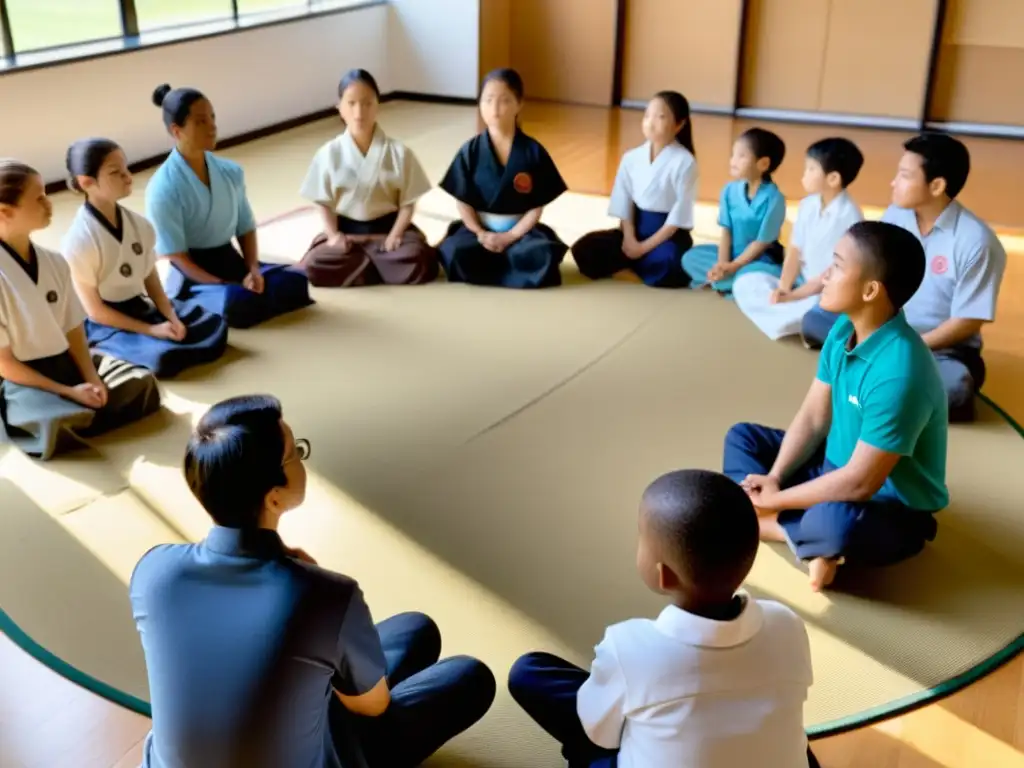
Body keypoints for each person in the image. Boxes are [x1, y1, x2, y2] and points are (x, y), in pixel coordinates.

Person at [129, 394, 496, 768]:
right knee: (470, 678)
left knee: (416, 629)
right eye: (296, 453)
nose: (302, 460)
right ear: (274, 498)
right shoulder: (325, 595)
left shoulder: (153, 572)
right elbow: (372, 706)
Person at [508, 469, 817, 768]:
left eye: (641, 537)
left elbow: (599, 733)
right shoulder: (786, 623)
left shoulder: (627, 647)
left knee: (529, 673)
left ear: (663, 575)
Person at [724, 221, 949, 592]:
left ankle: (768, 523)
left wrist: (776, 498)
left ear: (871, 290)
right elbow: (813, 418)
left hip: (889, 505)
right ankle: (806, 541)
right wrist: (777, 477)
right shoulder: (844, 329)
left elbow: (861, 482)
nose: (824, 275)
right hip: (832, 466)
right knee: (742, 438)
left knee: (834, 526)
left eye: (837, 266)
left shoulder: (900, 372)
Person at [800, 133, 1006, 422]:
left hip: (937, 347)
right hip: (882, 326)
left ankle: (874, 368)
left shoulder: (976, 241)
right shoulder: (896, 215)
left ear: (936, 185)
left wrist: (906, 346)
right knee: (815, 320)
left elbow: (967, 321)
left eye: (905, 175)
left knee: (955, 386)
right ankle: (888, 375)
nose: (893, 182)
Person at [0, 159, 160, 460]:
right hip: (23, 379)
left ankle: (83, 408)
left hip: (67, 364)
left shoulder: (54, 262)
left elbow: (74, 327)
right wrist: (68, 391)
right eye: (39, 198)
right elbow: (4, 363)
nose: (49, 204)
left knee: (141, 383)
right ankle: (73, 409)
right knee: (54, 421)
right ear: (5, 212)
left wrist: (92, 379)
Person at [145, 84, 313, 328]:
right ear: (176, 130)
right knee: (236, 301)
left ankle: (244, 290)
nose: (212, 126)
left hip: (232, 262)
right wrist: (223, 285)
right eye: (201, 121)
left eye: (212, 118)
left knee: (296, 281)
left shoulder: (230, 172)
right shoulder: (162, 188)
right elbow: (178, 257)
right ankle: (222, 297)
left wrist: (253, 269)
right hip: (192, 275)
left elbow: (245, 227)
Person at [61, 138, 229, 378]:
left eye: (126, 169)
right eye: (115, 173)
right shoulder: (78, 242)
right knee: (163, 357)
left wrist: (170, 316)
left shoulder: (139, 225)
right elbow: (95, 310)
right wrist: (152, 330)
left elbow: (150, 278)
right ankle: (106, 348)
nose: (128, 177)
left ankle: (157, 335)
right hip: (105, 322)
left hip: (141, 307)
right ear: (86, 182)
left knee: (214, 324)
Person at [298, 69, 439, 287]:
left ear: (377, 105)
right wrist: (333, 236)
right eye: (351, 103)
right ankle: (382, 269)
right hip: (348, 237)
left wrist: (395, 235)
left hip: (389, 233)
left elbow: (408, 203)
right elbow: (323, 203)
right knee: (314, 264)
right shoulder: (328, 153)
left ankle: (362, 271)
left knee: (419, 258)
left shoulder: (399, 152)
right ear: (340, 108)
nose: (359, 112)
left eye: (367, 103)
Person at [437, 68, 569, 288]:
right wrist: (480, 233)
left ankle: (501, 262)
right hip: (479, 232)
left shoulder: (533, 151)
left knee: (541, 253)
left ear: (519, 104)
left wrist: (511, 236)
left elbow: (536, 206)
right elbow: (463, 200)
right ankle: (506, 266)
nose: (495, 109)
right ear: (480, 104)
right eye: (488, 100)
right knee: (455, 251)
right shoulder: (470, 150)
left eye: (504, 101)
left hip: (520, 232)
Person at [733, 138, 863, 340]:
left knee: (817, 309)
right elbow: (794, 250)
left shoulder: (850, 217)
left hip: (825, 289)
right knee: (745, 282)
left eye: (811, 169)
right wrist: (783, 289)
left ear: (833, 178)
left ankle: (787, 317)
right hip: (800, 281)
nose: (804, 175)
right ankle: (784, 317)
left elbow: (832, 273)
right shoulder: (807, 205)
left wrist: (793, 297)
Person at [571, 91, 697, 287]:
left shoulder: (685, 162)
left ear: (679, 124)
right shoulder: (632, 157)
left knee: (672, 261)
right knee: (584, 247)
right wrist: (629, 238)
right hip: (634, 231)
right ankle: (633, 268)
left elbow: (678, 217)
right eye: (647, 115)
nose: (650, 122)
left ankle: (631, 267)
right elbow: (624, 201)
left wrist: (644, 247)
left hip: (665, 238)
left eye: (660, 117)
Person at [681, 127, 787, 296]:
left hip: (759, 260)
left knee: (755, 274)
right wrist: (722, 264)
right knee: (689, 258)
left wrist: (734, 266)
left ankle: (724, 282)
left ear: (763, 164)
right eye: (733, 155)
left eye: (741, 156)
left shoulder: (775, 199)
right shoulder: (729, 191)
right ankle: (727, 282)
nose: (733, 161)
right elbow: (726, 232)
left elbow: (762, 243)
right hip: (731, 255)